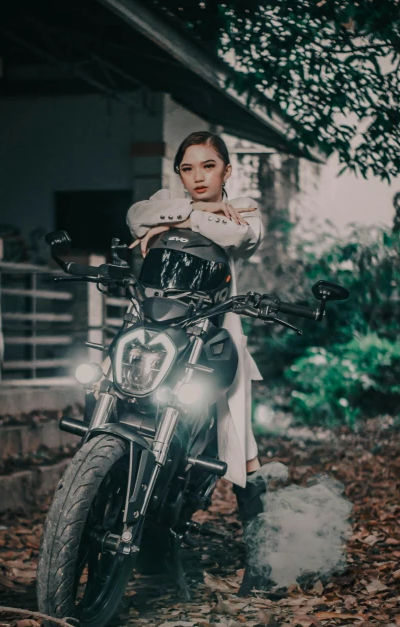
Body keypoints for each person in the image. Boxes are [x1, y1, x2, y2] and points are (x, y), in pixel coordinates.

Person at [126, 131, 269, 595]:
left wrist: (171, 224)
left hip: (216, 334)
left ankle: (263, 565)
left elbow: (238, 235)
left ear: (227, 169)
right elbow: (136, 215)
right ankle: (150, 560)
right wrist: (195, 213)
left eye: (208, 166)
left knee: (238, 439)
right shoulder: (171, 200)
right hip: (159, 328)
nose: (197, 177)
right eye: (188, 168)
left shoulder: (245, 206)